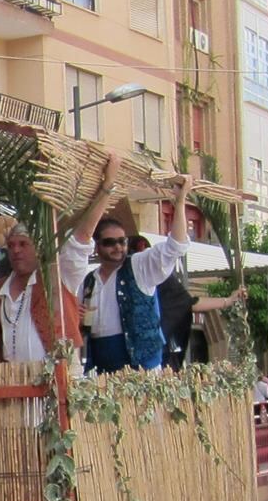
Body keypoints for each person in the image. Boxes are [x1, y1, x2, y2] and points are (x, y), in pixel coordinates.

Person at [61, 155, 189, 374]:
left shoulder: (139, 266)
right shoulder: (88, 281)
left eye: (122, 241)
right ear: (97, 246)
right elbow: (80, 329)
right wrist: (78, 320)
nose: (118, 247)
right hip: (103, 370)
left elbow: (174, 246)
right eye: (110, 242)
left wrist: (180, 202)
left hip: (142, 371)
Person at [125, 236, 245, 370]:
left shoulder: (159, 278)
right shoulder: (115, 278)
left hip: (151, 353)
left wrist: (227, 301)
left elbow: (188, 303)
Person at [0, 223, 79, 364]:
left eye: (23, 244)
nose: (16, 250)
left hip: (55, 376)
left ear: (38, 248)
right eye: (11, 245)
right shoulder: (0, 288)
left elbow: (81, 243)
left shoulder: (56, 278)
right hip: (13, 378)